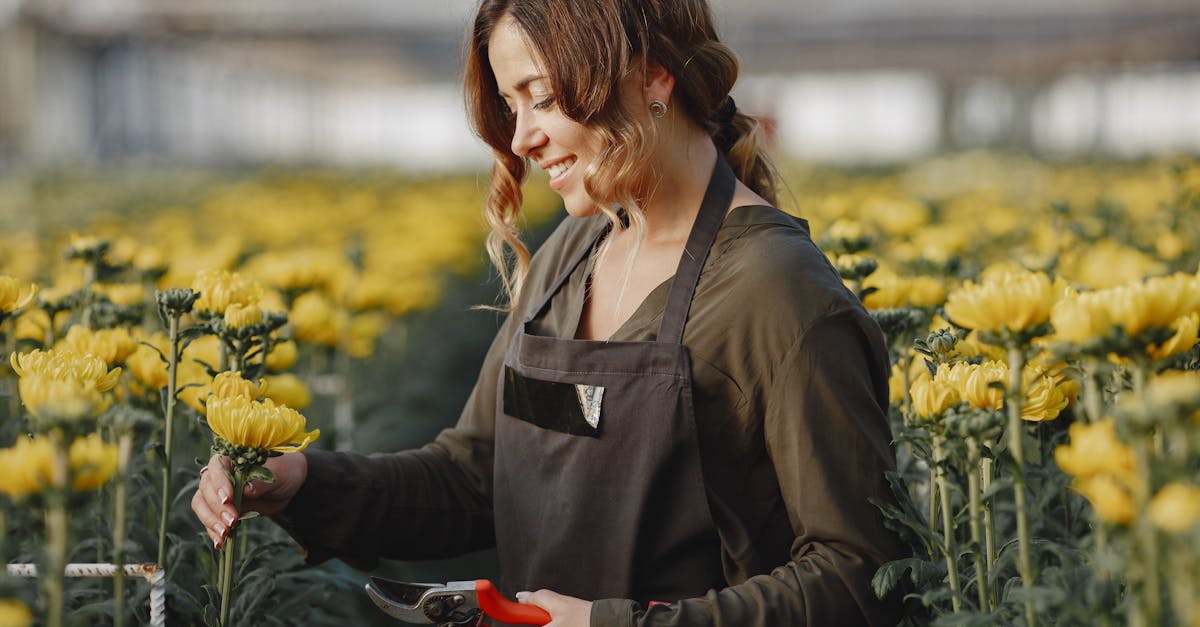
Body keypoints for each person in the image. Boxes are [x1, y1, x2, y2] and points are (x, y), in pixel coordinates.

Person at [191, 0, 908, 624]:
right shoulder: (573, 252)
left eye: (540, 97)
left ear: (653, 76)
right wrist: (301, 480)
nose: (521, 138)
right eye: (512, 106)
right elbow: (474, 477)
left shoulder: (776, 291)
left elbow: (859, 573)